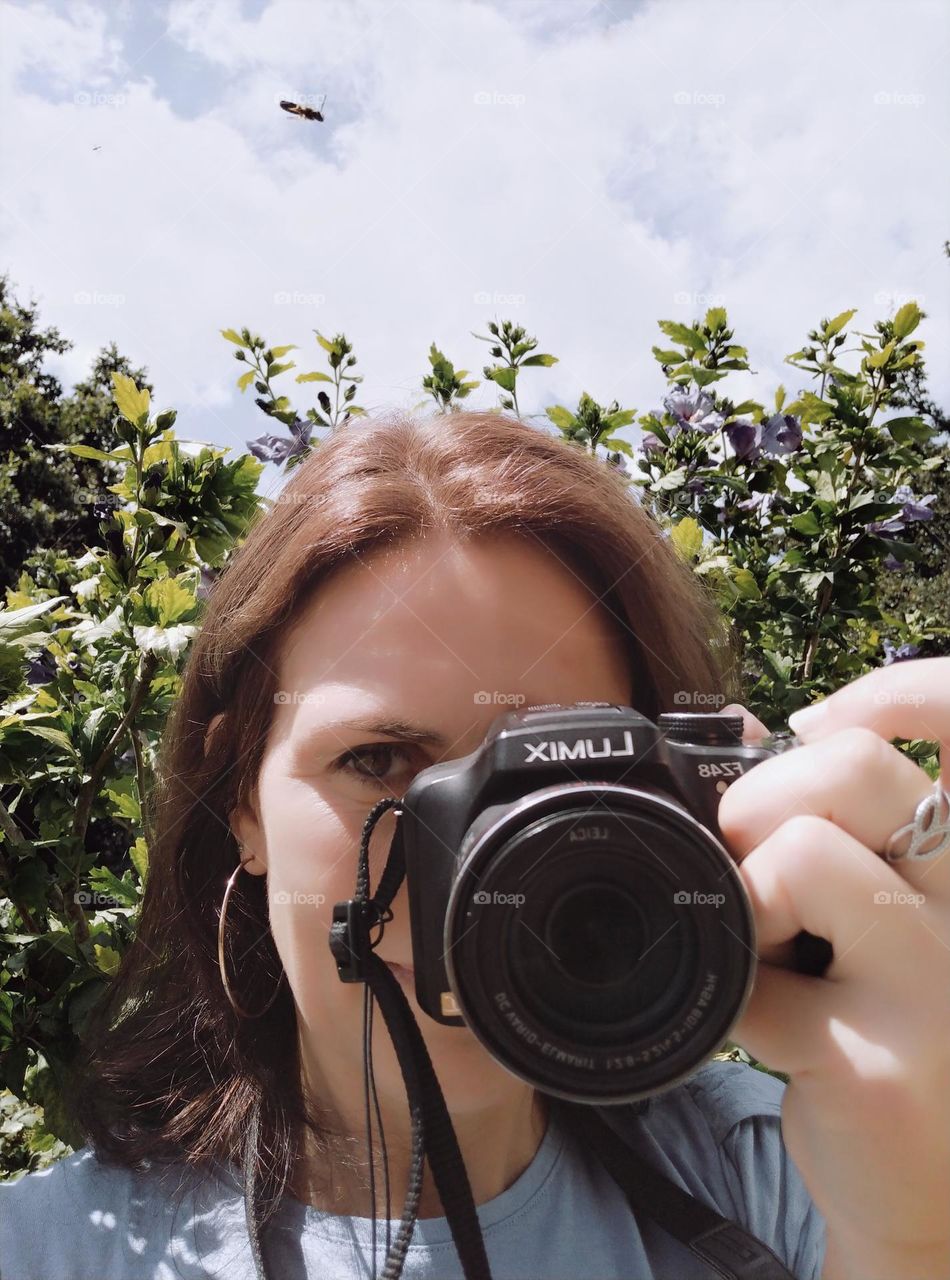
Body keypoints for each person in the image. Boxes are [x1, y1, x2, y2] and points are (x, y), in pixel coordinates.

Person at [1, 410, 947, 1280]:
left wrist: (913, 1238)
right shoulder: (48, 1252)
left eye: (559, 776)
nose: (477, 886)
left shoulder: (804, 1175)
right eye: (377, 759)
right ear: (240, 805)